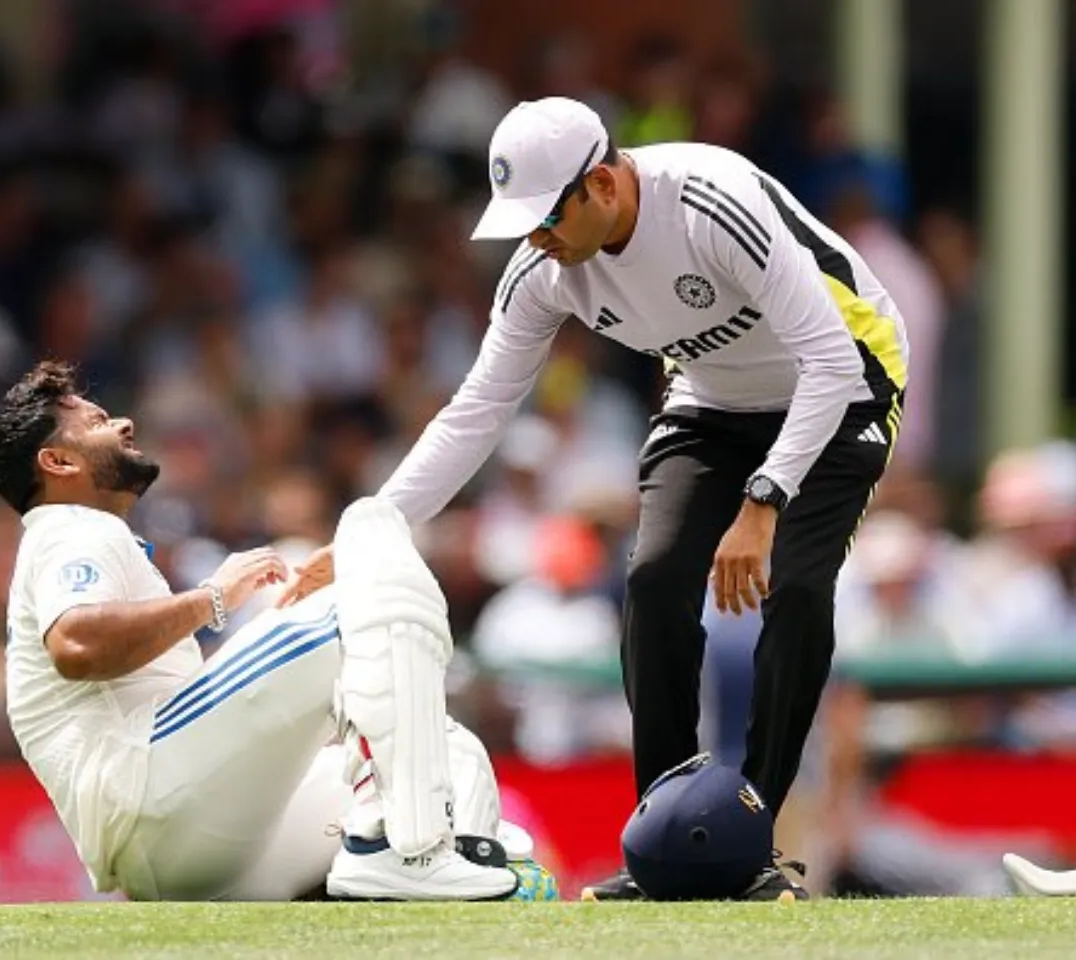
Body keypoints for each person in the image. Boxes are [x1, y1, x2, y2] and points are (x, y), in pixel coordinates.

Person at [279, 97, 910, 901]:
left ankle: (749, 839)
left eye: (546, 218)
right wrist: (371, 530)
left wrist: (763, 503)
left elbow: (827, 360)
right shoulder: (543, 271)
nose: (536, 239)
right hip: (713, 401)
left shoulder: (713, 205)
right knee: (651, 581)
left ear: (604, 184)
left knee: (797, 585)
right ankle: (665, 841)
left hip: (846, 380)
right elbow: (476, 412)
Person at [0, 360, 522, 902]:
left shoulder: (85, 533)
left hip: (198, 846)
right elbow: (76, 645)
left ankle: (446, 858)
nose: (122, 422)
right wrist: (213, 600)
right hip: (153, 801)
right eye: (96, 421)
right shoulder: (68, 528)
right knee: (370, 553)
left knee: (450, 753)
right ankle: (410, 852)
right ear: (56, 460)